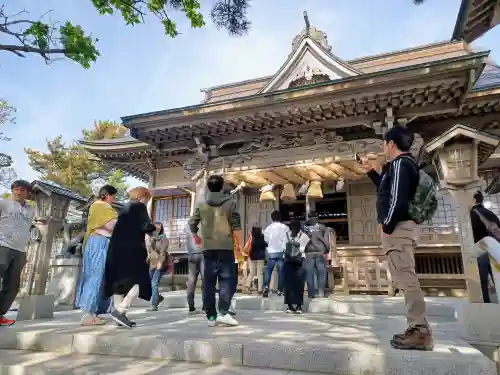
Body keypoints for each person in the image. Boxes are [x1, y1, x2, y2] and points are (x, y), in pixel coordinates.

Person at [359, 125, 433, 351]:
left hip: (398, 229)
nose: (383, 147)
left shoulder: (401, 164)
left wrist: (387, 226)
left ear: (391, 143)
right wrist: (372, 171)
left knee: (407, 279)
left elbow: (397, 200)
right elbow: (387, 191)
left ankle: (420, 330)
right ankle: (416, 328)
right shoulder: (401, 166)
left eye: (384, 143)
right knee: (403, 278)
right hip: (400, 228)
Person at [188, 174, 243, 327]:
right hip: (225, 247)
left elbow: (192, 222)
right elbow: (236, 226)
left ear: (208, 187)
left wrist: (195, 236)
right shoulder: (230, 203)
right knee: (227, 280)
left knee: (209, 282)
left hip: (208, 248)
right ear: (222, 186)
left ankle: (211, 317)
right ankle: (223, 313)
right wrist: (239, 245)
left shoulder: (201, 204)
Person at [104, 187, 156, 328]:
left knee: (118, 283)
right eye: (147, 198)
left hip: (115, 249)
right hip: (132, 250)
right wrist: (154, 229)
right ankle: (121, 310)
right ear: (142, 196)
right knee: (140, 281)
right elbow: (146, 226)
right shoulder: (139, 206)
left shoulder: (124, 208)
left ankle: (120, 317)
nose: (147, 201)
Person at [75, 185, 118, 326]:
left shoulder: (99, 206)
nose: (114, 199)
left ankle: (94, 312)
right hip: (98, 242)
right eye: (113, 196)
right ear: (107, 195)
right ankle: (88, 313)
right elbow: (111, 225)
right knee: (95, 276)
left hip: (101, 242)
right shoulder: (100, 205)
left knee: (102, 277)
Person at [0, 180, 35, 326]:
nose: (18, 192)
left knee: (13, 285)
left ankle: (1, 315)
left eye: (21, 189)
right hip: (2, 246)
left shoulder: (30, 210)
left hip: (20, 250)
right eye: (15, 189)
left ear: (27, 192)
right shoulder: (4, 203)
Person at [470, 190, 498, 303]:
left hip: (481, 251)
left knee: (483, 281)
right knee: (497, 279)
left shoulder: (470, 215)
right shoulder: (491, 214)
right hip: (495, 250)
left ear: (473, 200)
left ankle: (486, 304)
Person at [303, 212, 330, 298]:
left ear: (309, 217)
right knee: (321, 273)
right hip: (320, 251)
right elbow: (326, 241)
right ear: (317, 218)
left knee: (309, 274)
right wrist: (327, 249)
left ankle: (311, 293)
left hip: (309, 252)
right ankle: (321, 292)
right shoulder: (322, 227)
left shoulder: (304, 228)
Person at [283, 220, 309, 314]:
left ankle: (290, 306)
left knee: (289, 284)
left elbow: (283, 247)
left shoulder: (286, 235)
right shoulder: (304, 236)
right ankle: (298, 306)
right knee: (298, 284)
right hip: (300, 261)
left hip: (289, 262)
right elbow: (305, 248)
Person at [262, 211, 290, 297]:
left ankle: (266, 287)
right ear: (280, 218)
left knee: (268, 271)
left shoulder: (268, 228)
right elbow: (288, 239)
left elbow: (266, 240)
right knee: (281, 271)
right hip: (281, 251)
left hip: (271, 252)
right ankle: (280, 290)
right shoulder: (285, 227)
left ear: (272, 218)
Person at [146, 222, 169, 311]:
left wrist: (160, 262)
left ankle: (154, 305)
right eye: (155, 228)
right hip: (152, 263)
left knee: (154, 283)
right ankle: (158, 298)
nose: (156, 230)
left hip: (160, 264)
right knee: (149, 284)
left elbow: (163, 252)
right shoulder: (152, 239)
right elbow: (150, 251)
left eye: (158, 229)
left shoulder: (164, 239)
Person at [185, 223, 204, 314]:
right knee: (205, 280)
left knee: (191, 281)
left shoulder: (188, 225)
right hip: (202, 255)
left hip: (191, 255)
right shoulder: (203, 222)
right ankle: (206, 306)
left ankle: (191, 307)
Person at [243, 226, 267, 294]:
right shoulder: (263, 237)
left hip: (252, 257)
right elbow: (266, 244)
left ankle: (247, 287)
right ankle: (260, 289)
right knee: (260, 274)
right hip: (260, 257)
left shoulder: (251, 237)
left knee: (252, 272)